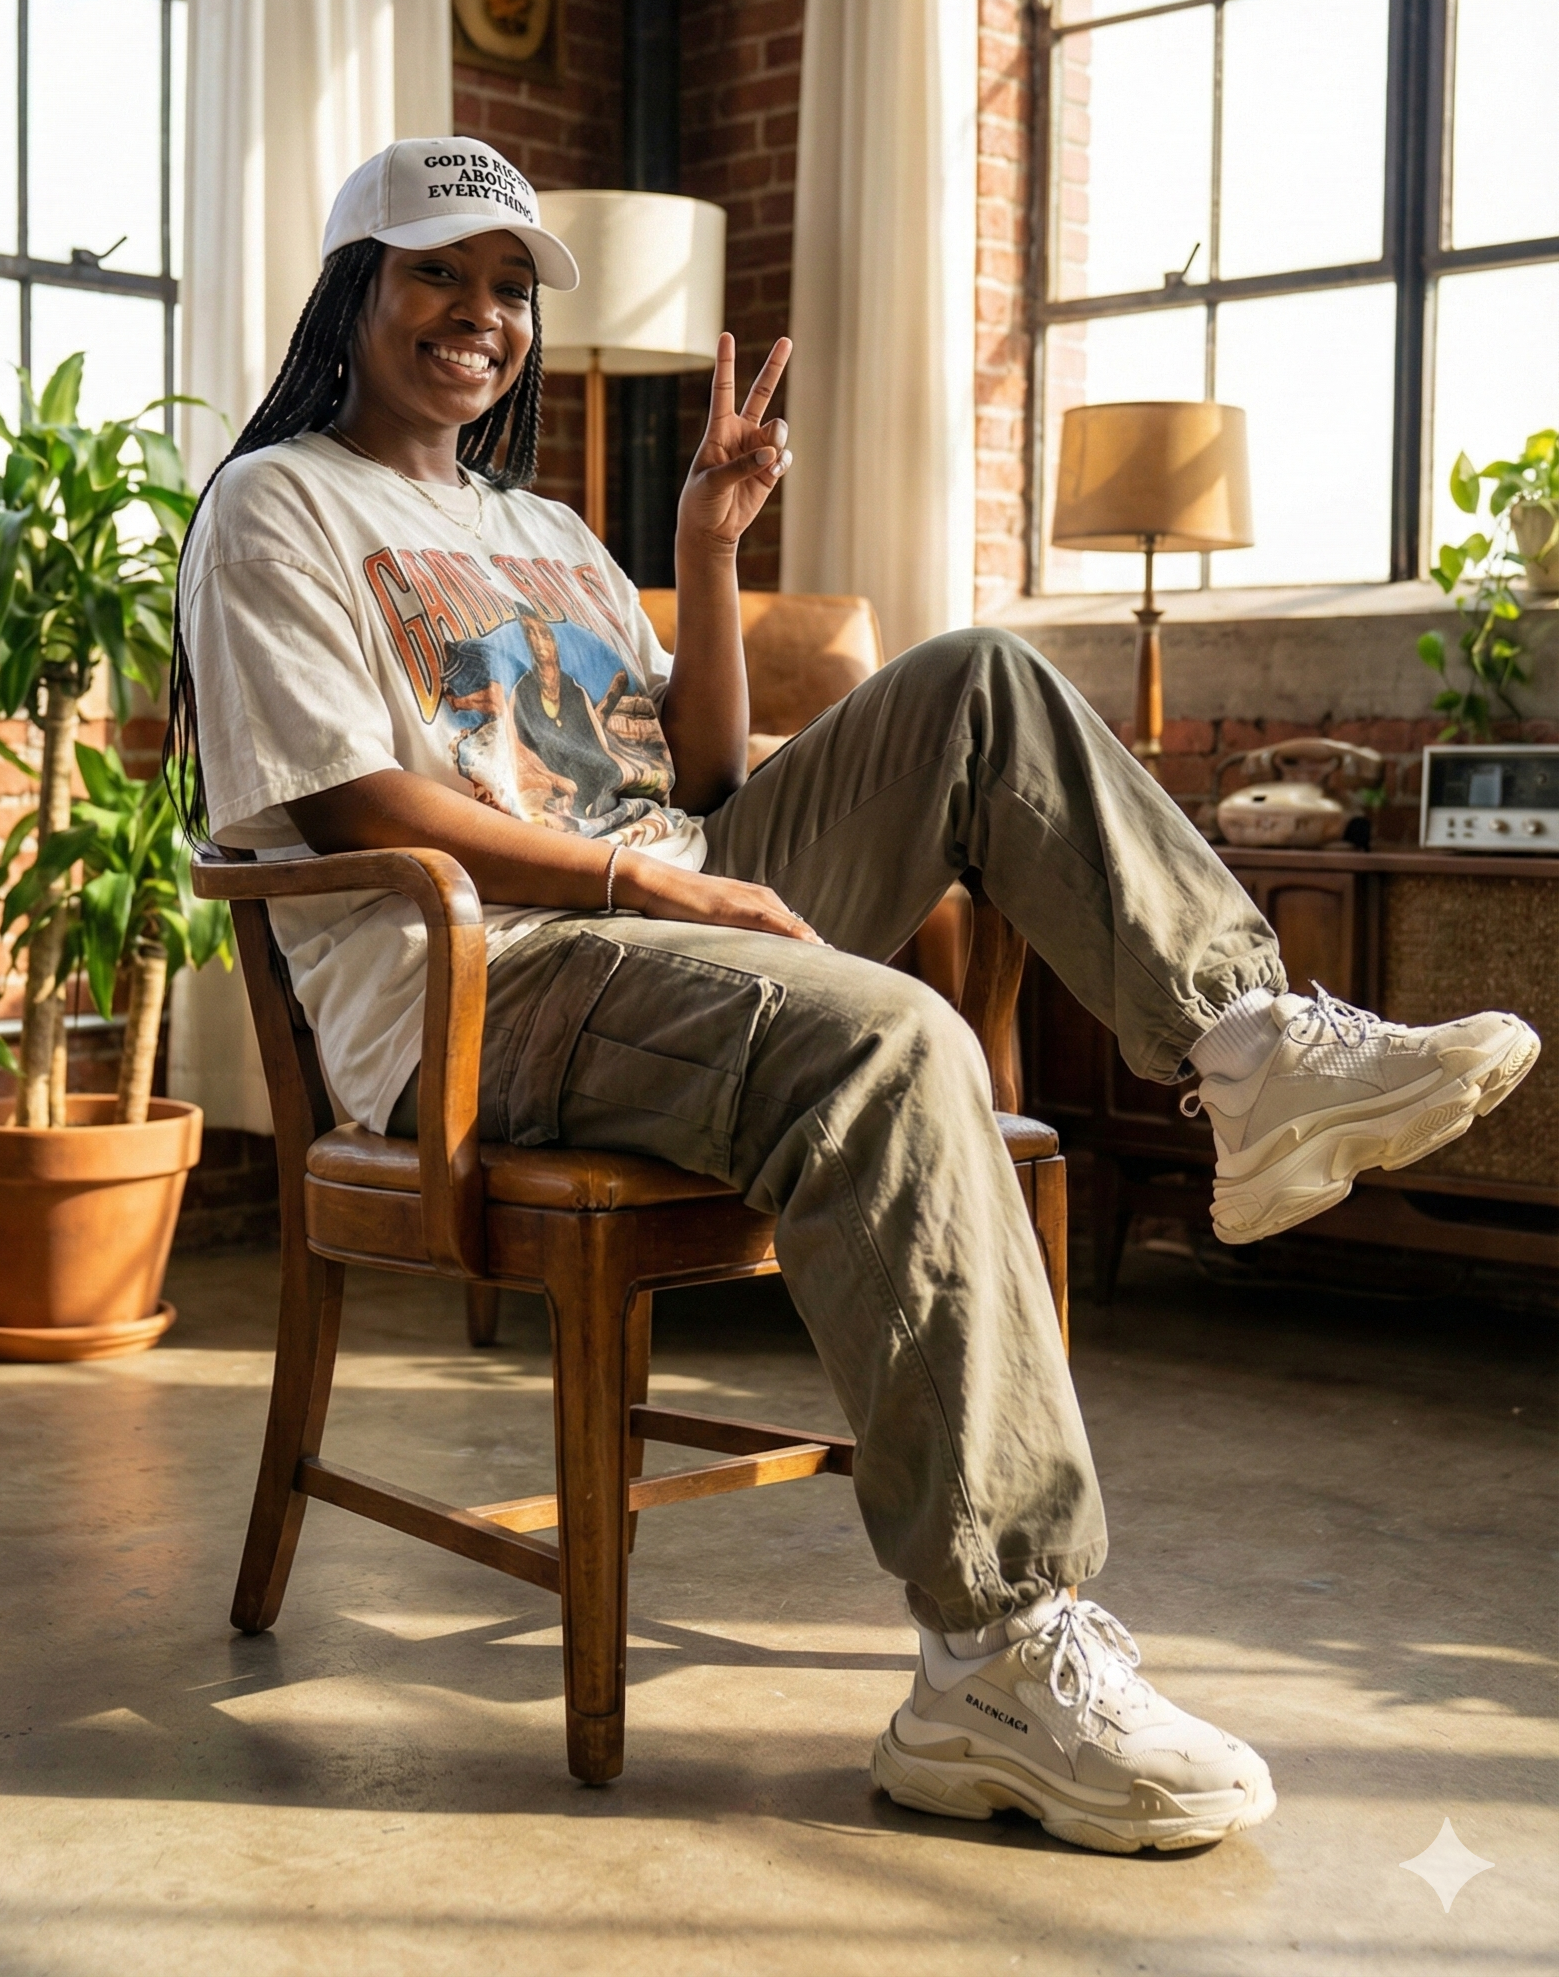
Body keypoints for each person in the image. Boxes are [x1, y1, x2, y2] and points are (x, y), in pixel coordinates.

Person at [171, 136, 1539, 1856]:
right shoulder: (277, 505)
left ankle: (1248, 1048)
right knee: (903, 1035)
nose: (483, 315)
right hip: (494, 988)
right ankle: (992, 1652)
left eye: (513, 285)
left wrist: (703, 546)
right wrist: (642, 876)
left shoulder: (547, 533)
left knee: (980, 676)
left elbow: (708, 765)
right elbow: (353, 806)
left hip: (676, 911)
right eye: (440, 271)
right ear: (351, 293)